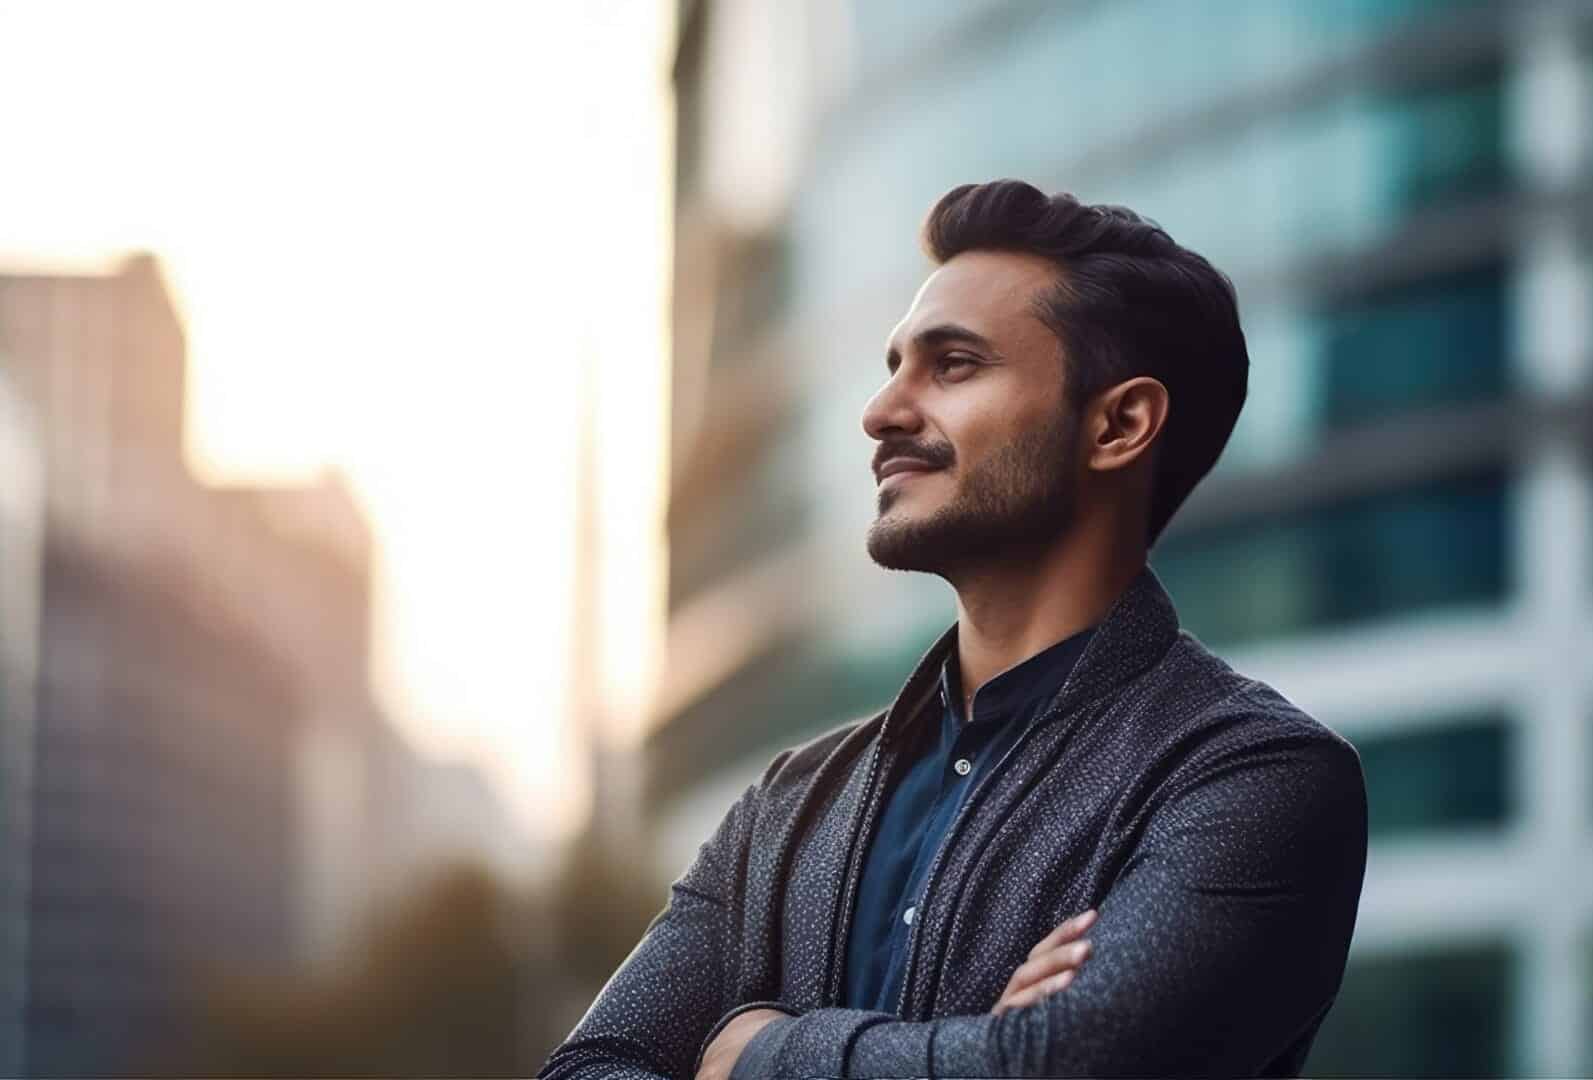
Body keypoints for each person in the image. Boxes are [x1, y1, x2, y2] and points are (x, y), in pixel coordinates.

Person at [539, 179, 1368, 1080]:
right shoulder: (788, 805)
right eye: (895, 364)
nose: (882, 411)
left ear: (1120, 424)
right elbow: (587, 1071)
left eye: (954, 365)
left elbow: (1066, 1068)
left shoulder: (1252, 779)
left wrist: (758, 1051)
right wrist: (976, 1052)